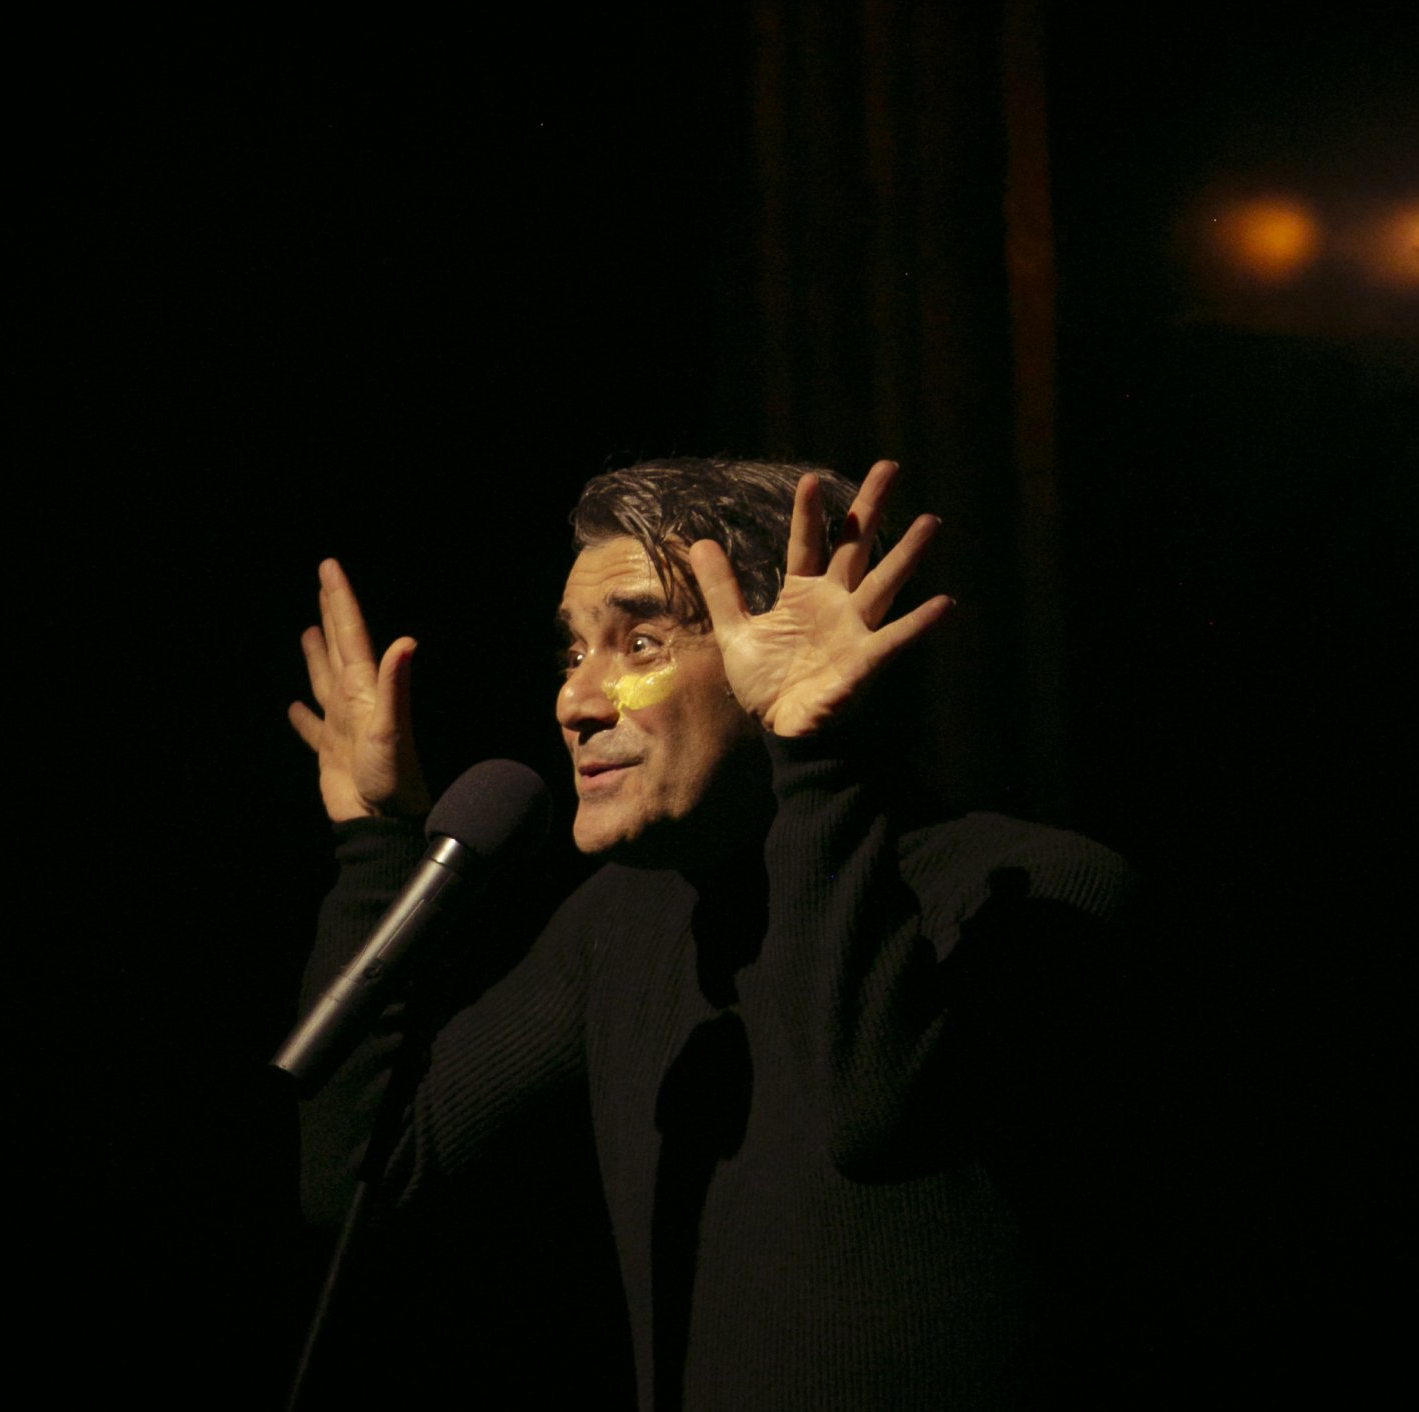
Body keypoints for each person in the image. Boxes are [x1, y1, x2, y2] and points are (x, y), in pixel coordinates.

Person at [288, 458, 1133, 1409]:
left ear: (785, 649)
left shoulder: (1030, 888)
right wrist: (373, 839)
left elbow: (871, 1120)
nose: (576, 701)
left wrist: (814, 756)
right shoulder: (621, 923)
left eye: (641, 643)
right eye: (574, 653)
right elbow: (366, 1175)